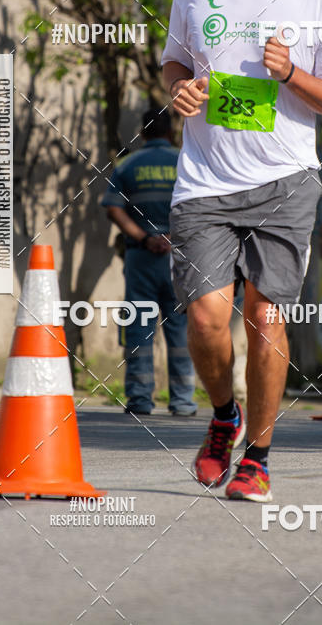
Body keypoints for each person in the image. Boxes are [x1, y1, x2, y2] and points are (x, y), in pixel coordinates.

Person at [161, 0, 322, 501]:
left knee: (265, 317)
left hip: (284, 180)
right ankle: (224, 416)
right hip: (205, 180)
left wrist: (292, 74)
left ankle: (259, 458)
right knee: (204, 318)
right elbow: (173, 62)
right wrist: (180, 89)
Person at [101, 109, 198, 417]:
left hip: (141, 258)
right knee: (180, 330)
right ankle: (182, 401)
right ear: (171, 132)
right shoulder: (187, 161)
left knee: (139, 327)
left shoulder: (127, 165)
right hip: (179, 259)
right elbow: (197, 207)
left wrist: (146, 238)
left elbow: (114, 209)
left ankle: (140, 399)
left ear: (142, 133)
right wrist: (171, 237)